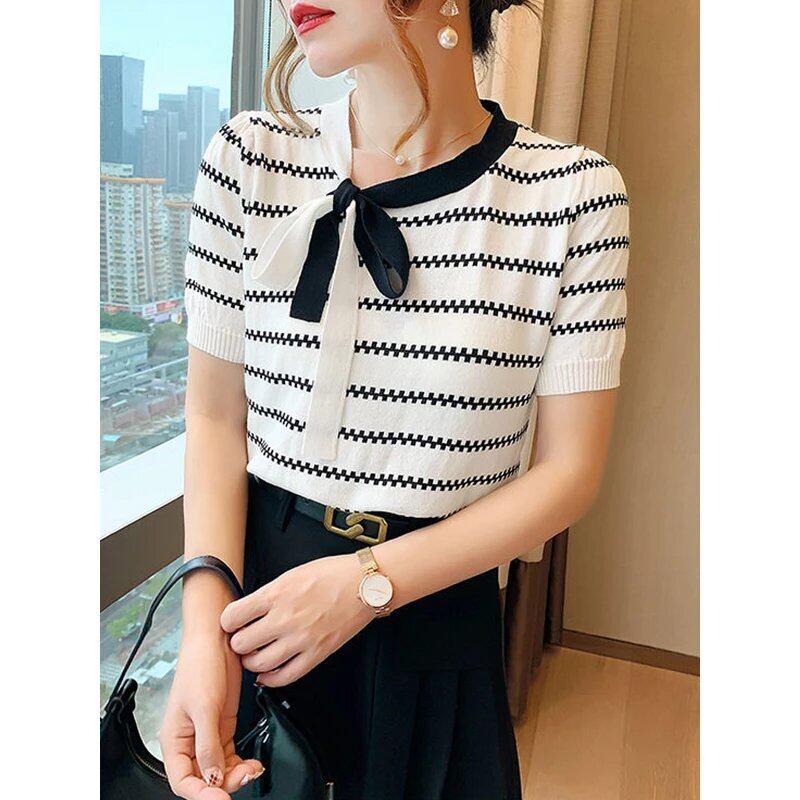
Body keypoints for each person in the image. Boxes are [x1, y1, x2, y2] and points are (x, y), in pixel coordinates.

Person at [159, 1, 630, 798]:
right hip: (260, 613)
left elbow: (569, 472)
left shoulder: (575, 196)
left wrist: (366, 584)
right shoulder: (249, 157)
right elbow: (212, 417)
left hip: (438, 611)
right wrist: (204, 634)